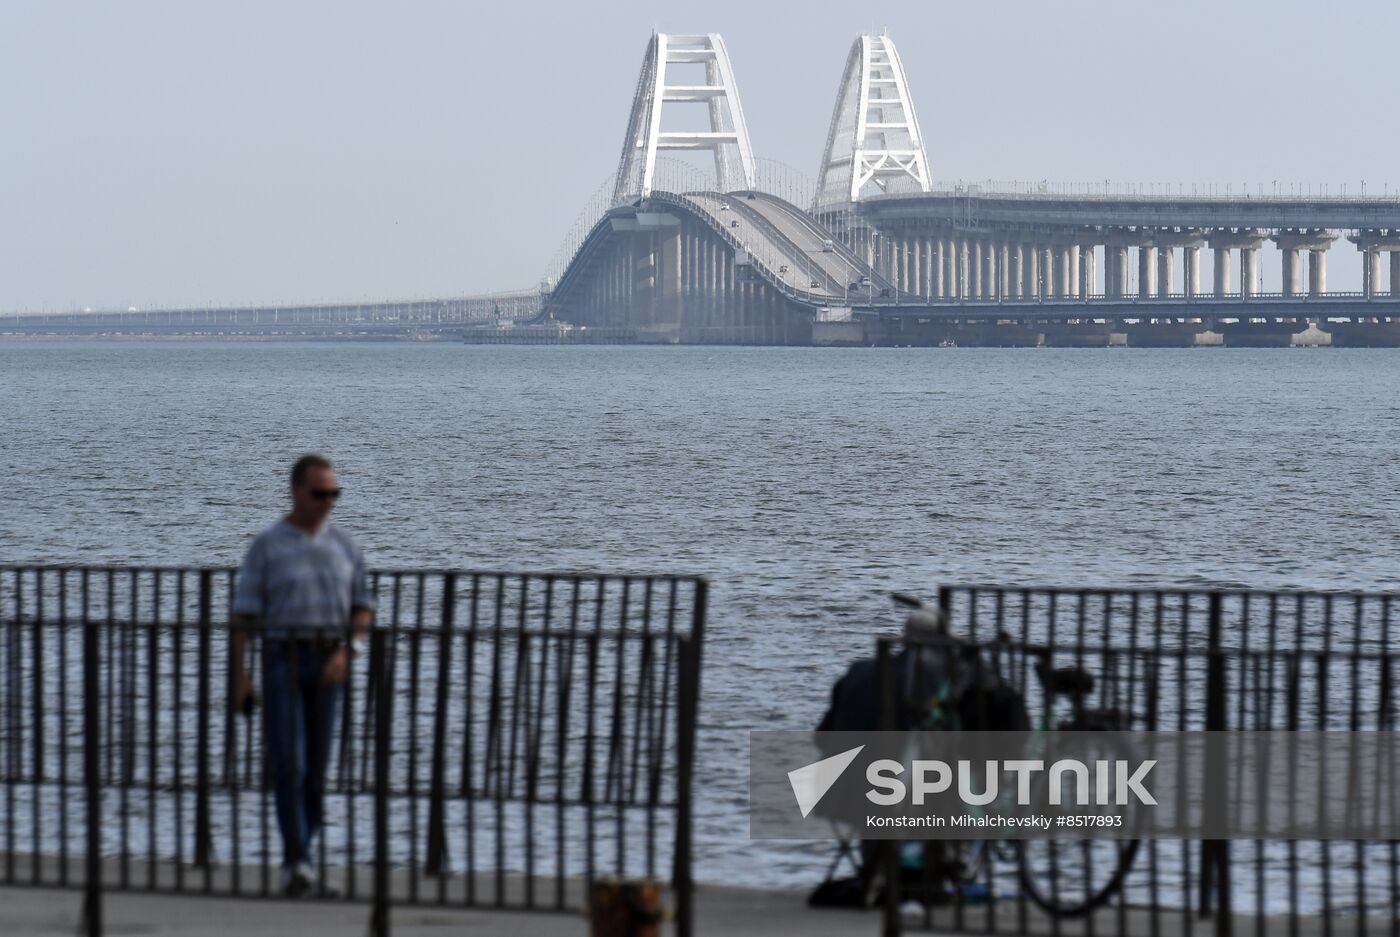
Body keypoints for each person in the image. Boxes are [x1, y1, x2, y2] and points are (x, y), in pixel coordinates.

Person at [231, 454, 374, 897]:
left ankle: (300, 862)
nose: (328, 502)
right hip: (281, 661)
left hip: (329, 664)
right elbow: (243, 617)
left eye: (334, 494)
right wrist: (240, 677)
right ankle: (298, 863)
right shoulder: (268, 546)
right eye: (320, 494)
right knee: (289, 765)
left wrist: (348, 651)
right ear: (296, 491)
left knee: (315, 770)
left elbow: (363, 607)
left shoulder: (345, 545)